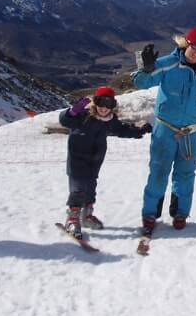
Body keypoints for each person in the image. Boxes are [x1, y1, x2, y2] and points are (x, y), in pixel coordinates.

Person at [132, 27, 196, 235]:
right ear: (185, 44)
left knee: (186, 174)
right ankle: (150, 214)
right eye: (194, 47)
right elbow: (141, 83)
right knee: (158, 172)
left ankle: (180, 213)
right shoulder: (168, 64)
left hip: (192, 132)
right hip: (165, 129)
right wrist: (146, 68)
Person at [59, 86, 152, 239]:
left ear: (112, 106)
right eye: (101, 103)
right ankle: (72, 218)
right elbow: (64, 121)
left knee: (90, 187)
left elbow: (121, 130)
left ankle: (87, 216)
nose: (104, 108)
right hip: (77, 160)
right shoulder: (83, 116)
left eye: (108, 105)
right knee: (78, 189)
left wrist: (139, 131)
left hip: (94, 160)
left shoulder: (109, 120)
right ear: (95, 103)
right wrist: (71, 112)